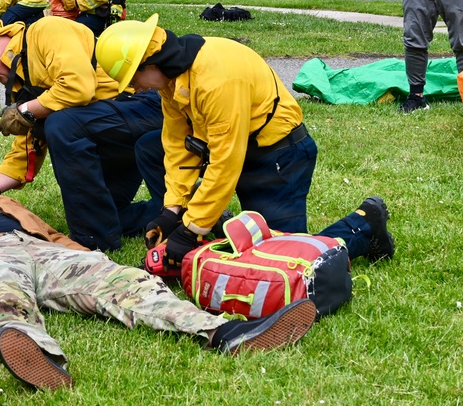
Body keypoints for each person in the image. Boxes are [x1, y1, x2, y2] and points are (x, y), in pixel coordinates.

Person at [0, 193, 318, 391]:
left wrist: (96, 261)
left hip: (38, 251)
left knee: (119, 283)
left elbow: (54, 238)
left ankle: (225, 333)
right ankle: (34, 352)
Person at [96, 16, 396, 265]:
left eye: (133, 80)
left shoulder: (217, 79)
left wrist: (189, 232)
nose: (134, 89)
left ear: (148, 65)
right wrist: (171, 211)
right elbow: (178, 144)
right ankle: (212, 218)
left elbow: (226, 163)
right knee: (151, 147)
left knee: (286, 260)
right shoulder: (172, 79)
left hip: (278, 157)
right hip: (240, 148)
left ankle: (364, 225)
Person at [0, 12, 163, 251]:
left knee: (60, 124)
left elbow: (78, 87)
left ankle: (92, 241)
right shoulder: (21, 83)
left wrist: (26, 111)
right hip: (115, 135)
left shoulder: (45, 31)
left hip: (146, 108)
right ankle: (181, 210)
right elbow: (27, 149)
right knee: (107, 216)